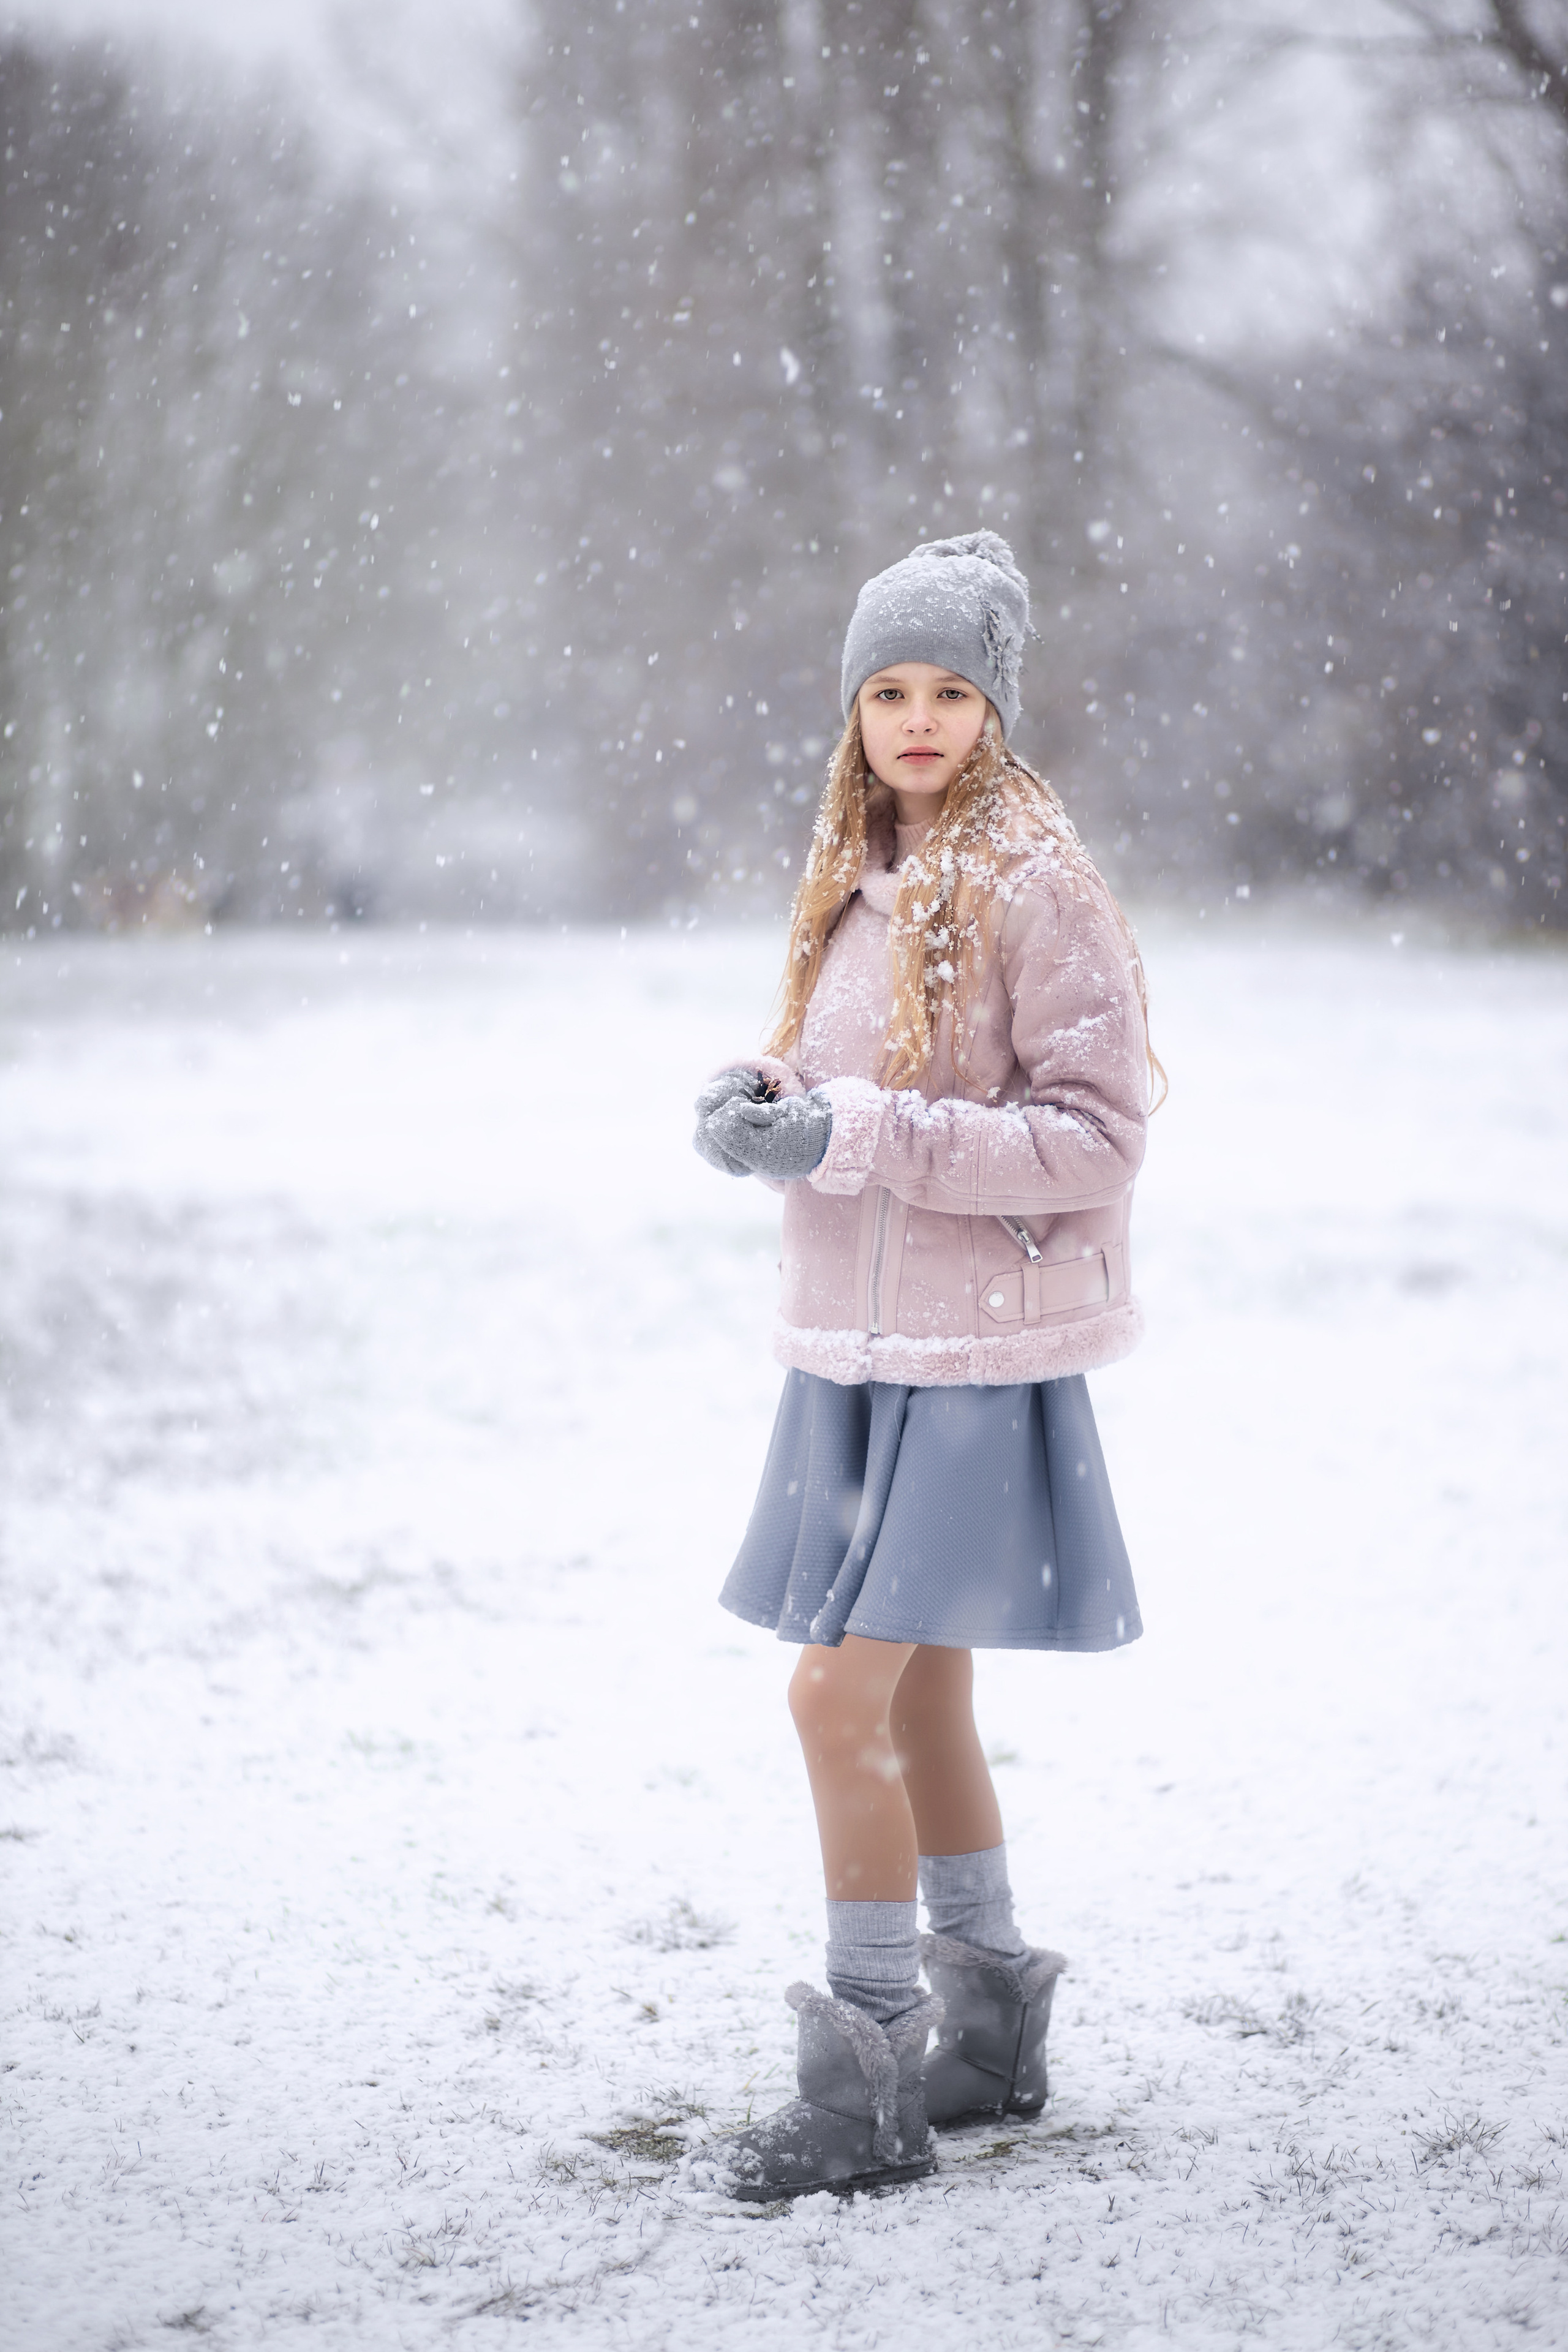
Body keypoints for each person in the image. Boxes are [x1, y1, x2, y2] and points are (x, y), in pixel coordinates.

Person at [688, 530, 1158, 2202]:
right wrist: (766, 1099)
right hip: (857, 1352)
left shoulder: (1037, 880)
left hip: (972, 1358)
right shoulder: (850, 867)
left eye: (950, 689)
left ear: (995, 709)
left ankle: (871, 2076)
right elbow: (845, 1076)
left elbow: (1095, 1141)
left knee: (837, 1694)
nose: (916, 718)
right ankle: (992, 2031)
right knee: (928, 1690)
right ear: (854, 707)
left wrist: (863, 1134)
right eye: (888, 688)